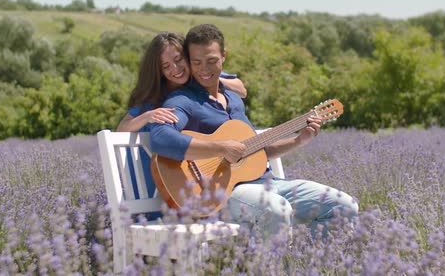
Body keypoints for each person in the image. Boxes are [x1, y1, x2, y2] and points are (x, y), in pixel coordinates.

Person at [148, 24, 358, 239]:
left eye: (211, 61)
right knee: (276, 209)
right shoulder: (184, 100)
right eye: (197, 62)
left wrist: (298, 141)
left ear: (223, 56)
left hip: (268, 184)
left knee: (344, 206)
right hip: (224, 194)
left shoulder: (235, 99)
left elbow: (257, 152)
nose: (204, 69)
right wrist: (220, 147)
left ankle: (308, 264)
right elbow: (160, 138)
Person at [116, 31, 247, 210]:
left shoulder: (201, 77)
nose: (175, 69)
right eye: (166, 66)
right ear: (159, 71)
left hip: (195, 176)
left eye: (178, 60)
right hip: (161, 179)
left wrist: (213, 77)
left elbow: (241, 89)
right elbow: (121, 129)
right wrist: (147, 116)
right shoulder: (155, 95)